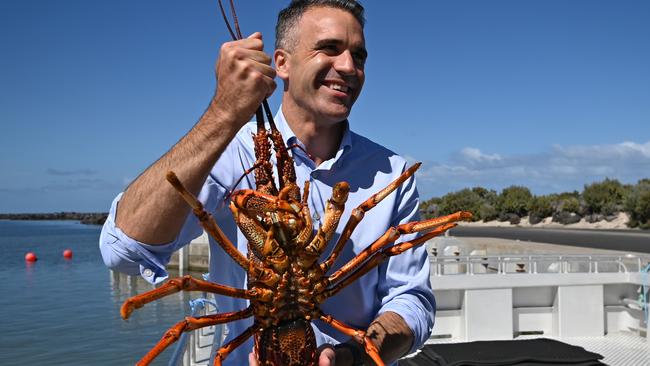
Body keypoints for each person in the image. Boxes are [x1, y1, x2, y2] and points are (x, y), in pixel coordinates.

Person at [99, 1, 435, 365]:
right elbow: (124, 251)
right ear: (282, 63)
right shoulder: (231, 153)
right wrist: (223, 112)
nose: (348, 66)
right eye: (329, 48)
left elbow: (411, 299)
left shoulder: (392, 172)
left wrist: (355, 356)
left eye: (359, 56)